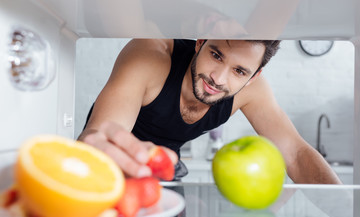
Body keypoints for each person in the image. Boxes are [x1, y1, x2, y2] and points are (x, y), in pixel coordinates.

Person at [78, 39, 341, 184]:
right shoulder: (150, 55)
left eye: (239, 71)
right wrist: (95, 155)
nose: (218, 79)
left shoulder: (253, 90)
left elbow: (295, 155)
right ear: (200, 42)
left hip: (169, 172)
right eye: (216, 55)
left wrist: (347, 212)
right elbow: (103, 134)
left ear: (253, 77)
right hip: (112, 167)